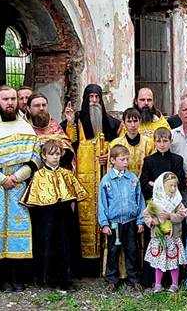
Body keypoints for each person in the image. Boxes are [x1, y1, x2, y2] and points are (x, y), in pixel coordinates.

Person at [0, 86, 40, 291]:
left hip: (19, 185)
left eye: (13, 98)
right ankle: (2, 276)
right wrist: (2, 178)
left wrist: (17, 176)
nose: (10, 102)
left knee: (19, 227)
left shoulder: (25, 126)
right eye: (6, 99)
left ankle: (17, 276)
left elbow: (35, 156)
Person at [63, 84, 121, 262]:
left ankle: (103, 261)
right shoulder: (77, 119)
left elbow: (119, 145)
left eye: (97, 97)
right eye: (91, 97)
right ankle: (84, 261)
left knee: (105, 214)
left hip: (105, 176)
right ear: (86, 99)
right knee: (83, 217)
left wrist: (109, 155)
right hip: (82, 177)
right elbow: (69, 144)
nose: (94, 101)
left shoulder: (110, 122)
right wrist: (70, 122)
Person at [21, 140, 87, 290]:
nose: (55, 157)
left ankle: (66, 279)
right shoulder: (38, 175)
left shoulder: (67, 174)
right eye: (51, 154)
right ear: (43, 156)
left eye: (58, 154)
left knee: (65, 245)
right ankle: (48, 278)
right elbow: (33, 202)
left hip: (64, 216)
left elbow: (74, 197)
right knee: (48, 244)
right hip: (46, 217)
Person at [98, 145, 145, 291]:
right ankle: (112, 279)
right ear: (112, 160)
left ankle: (134, 279)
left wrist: (140, 220)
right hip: (114, 223)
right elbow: (102, 203)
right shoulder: (106, 181)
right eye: (122, 159)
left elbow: (140, 200)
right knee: (113, 251)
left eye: (127, 159)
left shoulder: (132, 179)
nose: (126, 162)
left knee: (132, 250)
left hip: (130, 221)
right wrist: (104, 223)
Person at [143, 172, 187, 292]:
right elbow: (146, 214)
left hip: (172, 237)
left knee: (173, 261)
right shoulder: (155, 201)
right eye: (170, 186)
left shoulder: (177, 202)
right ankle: (158, 284)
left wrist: (170, 216)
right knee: (158, 262)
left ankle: (174, 284)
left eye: (175, 186)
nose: (173, 189)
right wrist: (152, 221)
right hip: (159, 237)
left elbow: (181, 215)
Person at [27, 92, 75, 171]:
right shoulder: (25, 129)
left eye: (44, 105)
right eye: (37, 106)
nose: (41, 108)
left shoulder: (55, 127)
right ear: (28, 109)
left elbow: (68, 152)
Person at [110, 108, 155, 177]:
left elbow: (153, 167)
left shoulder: (149, 143)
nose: (133, 125)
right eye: (129, 121)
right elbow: (111, 169)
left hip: (143, 184)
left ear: (140, 121)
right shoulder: (115, 144)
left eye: (135, 121)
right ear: (123, 123)